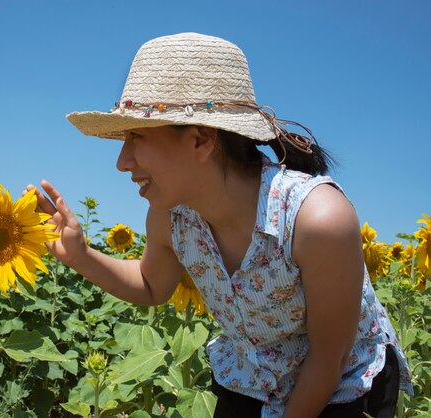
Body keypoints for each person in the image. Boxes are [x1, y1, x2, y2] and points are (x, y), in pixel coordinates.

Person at [27, 33, 413, 417]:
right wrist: (81, 255)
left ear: (200, 140)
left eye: (137, 136)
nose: (122, 161)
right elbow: (151, 285)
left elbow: (331, 357)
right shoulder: (172, 215)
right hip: (250, 380)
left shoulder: (316, 220)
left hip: (342, 390)